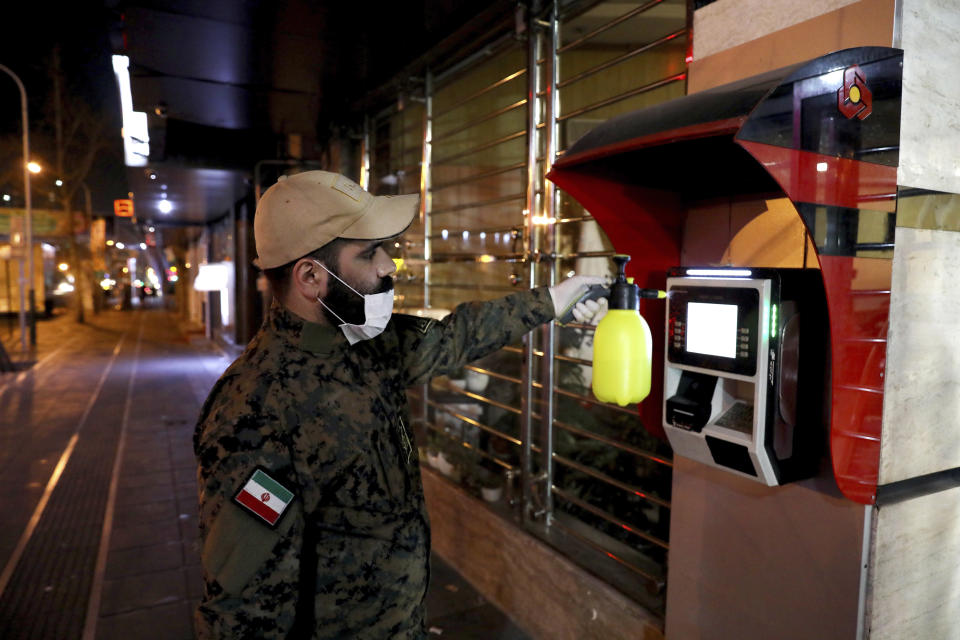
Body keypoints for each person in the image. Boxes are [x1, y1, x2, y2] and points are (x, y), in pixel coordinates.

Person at [193, 170, 605, 639]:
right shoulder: (257, 409)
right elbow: (243, 609)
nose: (390, 266)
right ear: (310, 276)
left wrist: (553, 300)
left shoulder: (363, 343)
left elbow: (457, 335)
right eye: (369, 252)